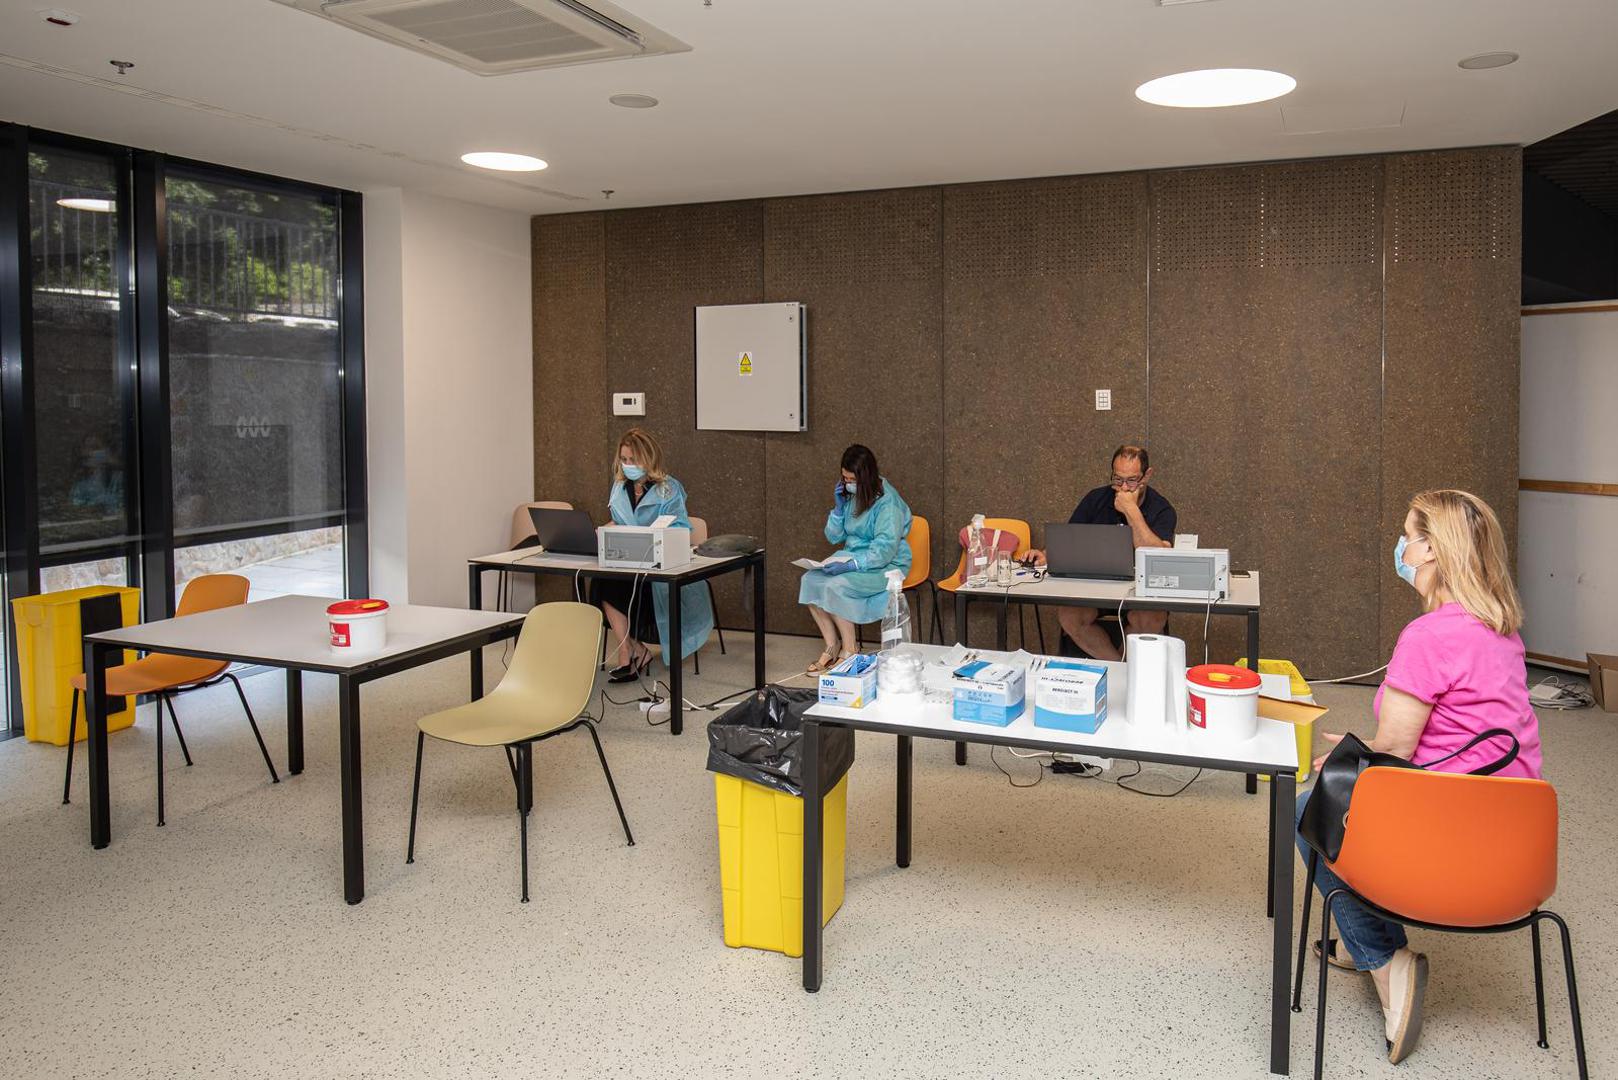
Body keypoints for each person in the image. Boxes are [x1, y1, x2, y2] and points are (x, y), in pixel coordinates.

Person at [1296, 489, 1542, 1065]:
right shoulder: (1502, 630)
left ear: (1431, 550)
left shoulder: (1429, 637)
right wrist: (1362, 754)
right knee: (1337, 792)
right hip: (1514, 840)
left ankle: (1386, 963)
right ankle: (1358, 943)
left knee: (1307, 808)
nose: (1402, 548)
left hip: (1446, 832)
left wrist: (1345, 764)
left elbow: (1395, 752)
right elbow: (1454, 735)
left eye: (1408, 537)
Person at [1025, 444, 1175, 660]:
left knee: (1152, 618)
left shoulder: (1162, 508)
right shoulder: (1096, 499)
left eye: (1132, 480)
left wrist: (1131, 510)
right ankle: (1117, 667)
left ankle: (1119, 668)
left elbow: (1157, 557)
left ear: (1147, 476)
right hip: (1096, 586)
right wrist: (1045, 555)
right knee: (1069, 615)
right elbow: (1070, 537)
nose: (1124, 488)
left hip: (1141, 591)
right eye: (1117, 479)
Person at [593, 428, 715, 684]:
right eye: (624, 459)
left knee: (613, 584)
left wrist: (651, 534)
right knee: (600, 582)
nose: (628, 465)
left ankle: (632, 653)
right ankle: (630, 650)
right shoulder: (619, 487)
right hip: (627, 564)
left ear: (648, 459)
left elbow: (679, 528)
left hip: (660, 570)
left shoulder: (669, 488)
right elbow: (619, 520)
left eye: (633, 460)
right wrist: (605, 530)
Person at [798, 444, 913, 672]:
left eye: (852, 479)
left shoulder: (888, 503)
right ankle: (832, 645)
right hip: (852, 556)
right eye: (844, 478)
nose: (847, 483)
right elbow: (833, 536)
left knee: (835, 586)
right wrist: (838, 509)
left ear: (866, 476)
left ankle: (850, 649)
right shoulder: (853, 495)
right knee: (810, 579)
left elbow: (884, 550)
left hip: (887, 565)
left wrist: (852, 565)